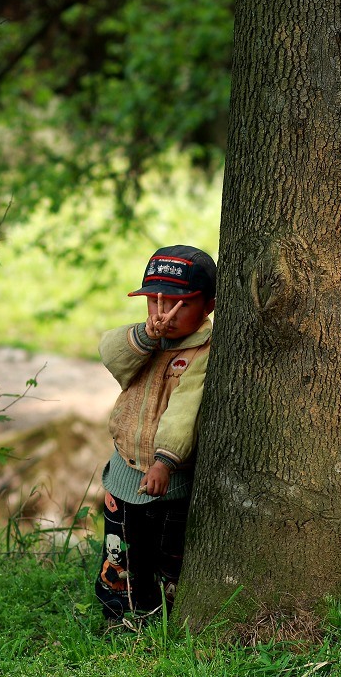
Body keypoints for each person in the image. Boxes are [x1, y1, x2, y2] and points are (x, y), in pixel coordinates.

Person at [95, 244, 216, 620]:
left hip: (170, 478)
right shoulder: (143, 342)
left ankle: (164, 619)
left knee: (168, 554)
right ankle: (122, 616)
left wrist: (165, 460)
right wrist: (146, 336)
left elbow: (186, 408)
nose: (165, 314)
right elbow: (111, 354)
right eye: (155, 302)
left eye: (182, 305)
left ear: (208, 306)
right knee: (122, 553)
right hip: (124, 473)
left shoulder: (204, 352)